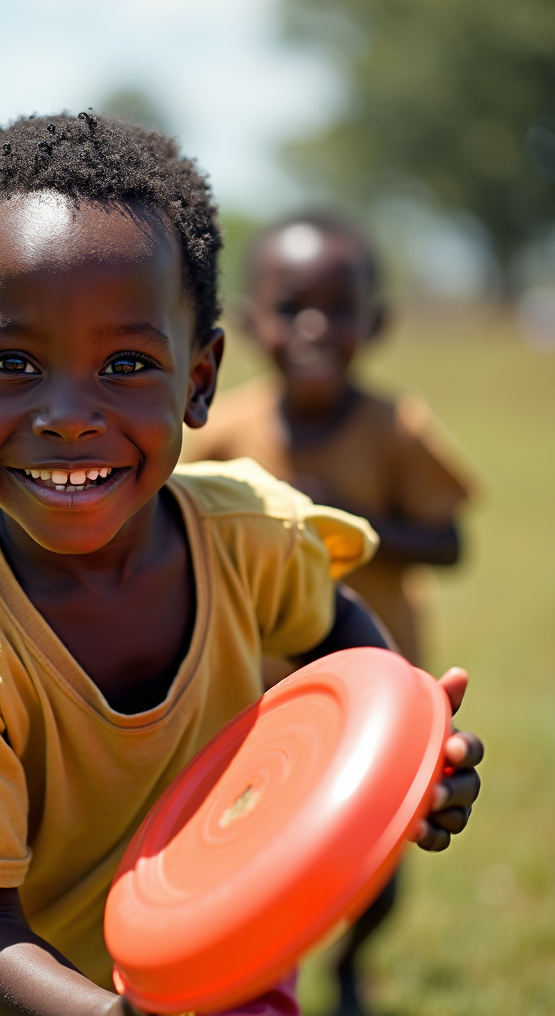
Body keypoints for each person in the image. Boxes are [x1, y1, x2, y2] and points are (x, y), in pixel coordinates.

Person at [0, 114, 483, 1016]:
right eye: (11, 362)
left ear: (201, 378)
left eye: (128, 362)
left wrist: (405, 759)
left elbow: (341, 647)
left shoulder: (252, 534)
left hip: (204, 958)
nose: (68, 415)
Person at [179, 212, 477, 1015]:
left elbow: (450, 542)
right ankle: (263, 977)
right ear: (248, 324)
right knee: (255, 854)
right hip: (255, 697)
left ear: (373, 323)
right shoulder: (226, 430)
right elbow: (175, 523)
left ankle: (351, 960)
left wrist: (361, 525)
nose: (313, 326)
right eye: (291, 306)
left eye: (337, 308)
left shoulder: (395, 426)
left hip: (379, 690)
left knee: (378, 858)